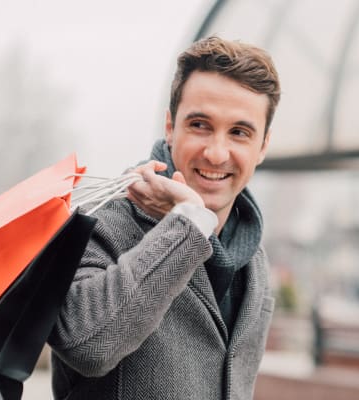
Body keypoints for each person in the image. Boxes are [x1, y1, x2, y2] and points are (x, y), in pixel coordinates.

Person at [48, 36, 282, 399]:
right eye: (200, 125)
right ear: (170, 127)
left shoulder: (253, 258)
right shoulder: (104, 221)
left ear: (263, 146)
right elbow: (85, 344)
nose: (217, 153)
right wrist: (189, 225)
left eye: (239, 132)